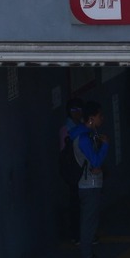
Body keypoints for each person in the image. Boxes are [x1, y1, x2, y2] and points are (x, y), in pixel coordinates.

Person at [71, 101, 110, 258]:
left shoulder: (87, 134)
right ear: (91, 118)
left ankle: (89, 256)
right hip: (88, 185)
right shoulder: (84, 138)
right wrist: (106, 145)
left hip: (90, 184)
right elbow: (95, 161)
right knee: (88, 223)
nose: (102, 118)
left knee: (91, 222)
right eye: (100, 115)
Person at [57, 98, 85, 243]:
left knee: (81, 202)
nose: (77, 113)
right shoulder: (66, 129)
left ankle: (80, 233)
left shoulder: (80, 126)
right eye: (74, 110)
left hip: (81, 168)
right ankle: (75, 234)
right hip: (73, 170)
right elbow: (64, 153)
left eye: (79, 109)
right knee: (75, 201)